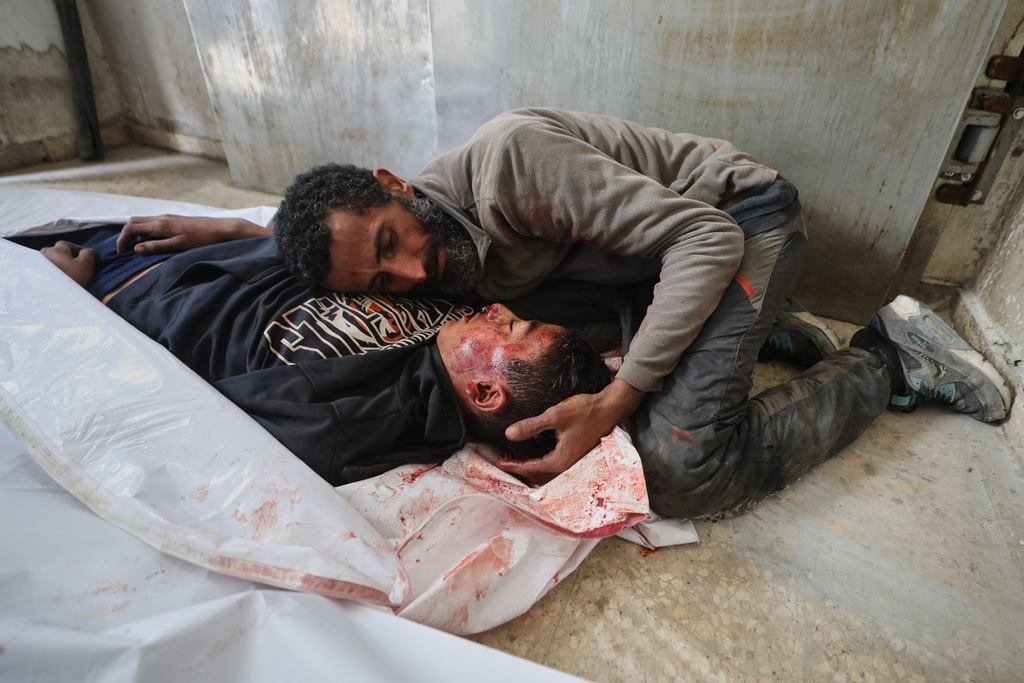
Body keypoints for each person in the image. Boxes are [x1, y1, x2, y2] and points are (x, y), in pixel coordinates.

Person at [111, 108, 1014, 519]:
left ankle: (891, 355)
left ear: (393, 184)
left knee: (677, 463)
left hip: (738, 225)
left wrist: (621, 403)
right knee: (551, 359)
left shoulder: (510, 163)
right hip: (637, 280)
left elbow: (704, 240)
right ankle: (739, 334)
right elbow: (328, 254)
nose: (409, 269)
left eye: (391, 240)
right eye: (380, 281)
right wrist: (221, 229)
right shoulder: (398, 259)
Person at [20, 227, 610, 485]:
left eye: (514, 328)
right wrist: (232, 230)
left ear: (485, 392)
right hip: (225, 252)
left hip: (128, 287)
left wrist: (69, 304)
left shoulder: (367, 416)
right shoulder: (452, 318)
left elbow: (168, 418)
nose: (501, 308)